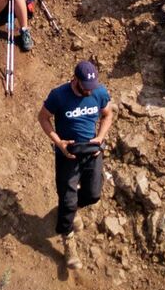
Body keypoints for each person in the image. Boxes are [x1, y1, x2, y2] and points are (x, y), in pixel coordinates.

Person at [39, 60, 113, 270]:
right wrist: (58, 142)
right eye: (85, 87)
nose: (90, 91)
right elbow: (43, 118)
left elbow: (107, 114)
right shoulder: (59, 95)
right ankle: (68, 238)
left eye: (92, 87)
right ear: (75, 80)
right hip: (68, 153)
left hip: (92, 151)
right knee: (68, 200)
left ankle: (69, 210)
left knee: (93, 194)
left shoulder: (99, 92)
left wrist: (100, 137)